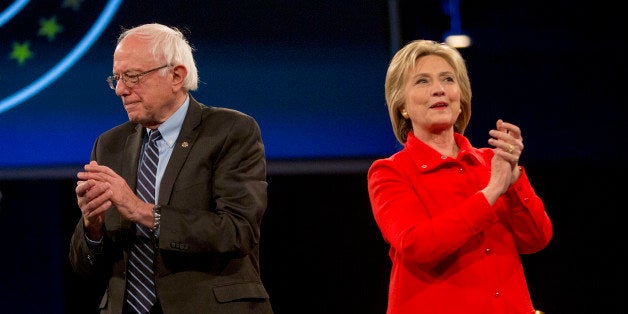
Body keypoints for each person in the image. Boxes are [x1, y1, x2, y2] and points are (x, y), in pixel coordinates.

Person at [69, 23, 273, 313]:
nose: (121, 90)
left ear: (176, 76)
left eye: (132, 76)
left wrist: (142, 211)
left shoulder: (230, 131)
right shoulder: (109, 145)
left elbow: (237, 231)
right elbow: (86, 268)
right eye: (116, 78)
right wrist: (92, 226)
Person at [367, 39, 553, 314]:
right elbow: (419, 246)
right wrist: (490, 193)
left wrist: (515, 180)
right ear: (402, 105)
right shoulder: (390, 172)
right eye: (422, 82)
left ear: (461, 97)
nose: (439, 89)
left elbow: (537, 239)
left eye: (447, 79)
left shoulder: (493, 163)